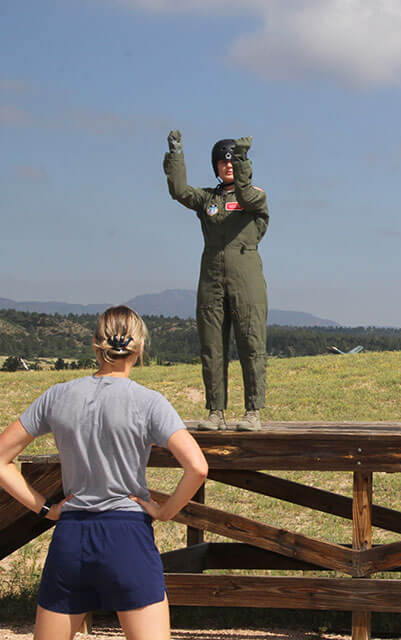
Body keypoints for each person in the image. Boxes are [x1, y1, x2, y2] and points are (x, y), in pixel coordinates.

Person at [0, 306, 208, 639]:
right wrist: (164, 511)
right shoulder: (149, 402)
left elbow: (1, 458)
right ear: (139, 351)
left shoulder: (57, 396)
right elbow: (197, 467)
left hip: (72, 536)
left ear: (96, 346)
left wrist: (44, 508)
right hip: (128, 536)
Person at [163, 132, 269, 432]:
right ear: (215, 166)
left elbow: (247, 196)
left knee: (251, 342)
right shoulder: (208, 199)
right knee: (212, 346)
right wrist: (176, 155)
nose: (228, 166)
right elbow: (180, 190)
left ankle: (252, 412)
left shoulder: (254, 196)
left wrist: (243, 160)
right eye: (223, 161)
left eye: (232, 160)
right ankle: (215, 412)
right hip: (211, 278)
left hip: (246, 278)